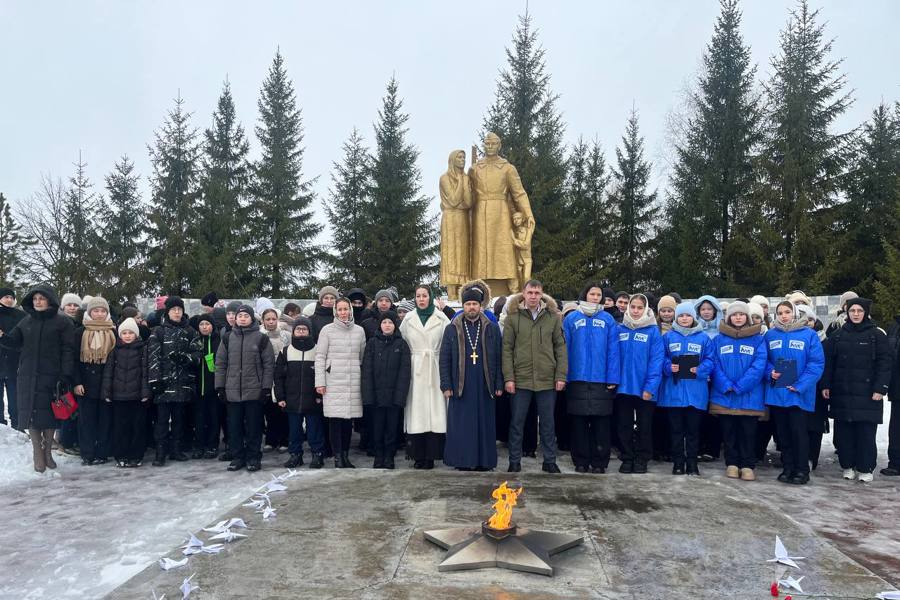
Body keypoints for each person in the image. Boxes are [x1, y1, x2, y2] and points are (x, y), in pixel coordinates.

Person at [0, 284, 76, 473]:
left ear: (50, 299)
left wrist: (65, 374)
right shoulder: (26, 321)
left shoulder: (63, 322)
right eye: (35, 299)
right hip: (27, 375)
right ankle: (37, 452)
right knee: (32, 415)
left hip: (52, 376)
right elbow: (13, 341)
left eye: (41, 298)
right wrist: (2, 336)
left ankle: (47, 451)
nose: (38, 302)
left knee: (49, 415)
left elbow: (68, 349)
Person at [822, 298, 892, 482]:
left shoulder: (877, 335)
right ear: (847, 312)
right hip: (842, 393)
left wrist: (880, 388)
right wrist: (826, 385)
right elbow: (828, 363)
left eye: (859, 311)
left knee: (866, 433)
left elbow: (885, 364)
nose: (855, 314)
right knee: (844, 433)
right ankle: (847, 465)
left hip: (868, 394)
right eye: (852, 310)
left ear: (866, 312)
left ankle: (865, 467)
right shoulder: (838, 335)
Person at [502, 279, 567, 473]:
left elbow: (560, 347)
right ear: (523, 293)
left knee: (548, 423)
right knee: (517, 422)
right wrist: (509, 378)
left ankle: (549, 461)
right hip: (521, 378)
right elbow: (507, 349)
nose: (533, 296)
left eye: (537, 293)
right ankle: (514, 461)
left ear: (542, 294)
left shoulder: (553, 317)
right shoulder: (513, 318)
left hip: (547, 379)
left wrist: (561, 375)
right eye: (530, 292)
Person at [440, 280, 502, 471]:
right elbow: (445, 359)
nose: (471, 307)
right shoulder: (452, 328)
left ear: (480, 305)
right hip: (461, 383)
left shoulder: (491, 327)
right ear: (463, 306)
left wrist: (498, 383)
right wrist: (446, 385)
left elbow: (498, 357)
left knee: (484, 423)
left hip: (484, 383)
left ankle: (484, 461)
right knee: (462, 424)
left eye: (475, 304)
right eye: (468, 304)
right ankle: (463, 461)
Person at [764, 301, 825, 485]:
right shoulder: (770, 335)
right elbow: (764, 359)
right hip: (778, 393)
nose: (784, 315)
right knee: (783, 435)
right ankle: (788, 467)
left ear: (795, 313)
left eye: (787, 312)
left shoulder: (809, 335)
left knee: (799, 433)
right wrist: (770, 372)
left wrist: (800, 384)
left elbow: (816, 364)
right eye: (780, 312)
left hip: (798, 394)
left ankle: (802, 470)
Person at [563, 283, 620, 474]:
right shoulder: (571, 319)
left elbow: (613, 350)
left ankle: (599, 462)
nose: (595, 297)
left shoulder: (608, 320)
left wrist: (612, 376)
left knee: (601, 424)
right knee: (578, 423)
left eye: (598, 295)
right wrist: (565, 375)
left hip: (601, 379)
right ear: (585, 295)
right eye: (592, 294)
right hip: (577, 378)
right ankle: (580, 461)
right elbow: (564, 349)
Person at [710, 301, 767, 481]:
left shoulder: (758, 339)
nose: (738, 317)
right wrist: (725, 383)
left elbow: (759, 365)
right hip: (725, 395)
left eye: (741, 314)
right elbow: (714, 363)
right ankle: (732, 463)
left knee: (748, 432)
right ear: (728, 318)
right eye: (734, 315)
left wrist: (742, 385)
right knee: (729, 432)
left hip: (749, 395)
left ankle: (748, 465)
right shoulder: (718, 339)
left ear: (747, 317)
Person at [215, 305, 274, 472]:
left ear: (251, 318)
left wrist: (266, 388)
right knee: (234, 427)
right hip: (232, 392)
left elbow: (268, 365)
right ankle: (238, 456)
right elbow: (220, 364)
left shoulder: (261, 339)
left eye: (245, 316)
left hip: (254, 392)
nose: (242, 318)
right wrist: (220, 387)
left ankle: (254, 457)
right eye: (239, 315)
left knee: (254, 427)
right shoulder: (227, 338)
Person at [658, 302, 714, 476]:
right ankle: (678, 462)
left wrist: (700, 370)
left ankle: (692, 463)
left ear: (693, 317)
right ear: (676, 317)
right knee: (675, 431)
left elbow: (711, 360)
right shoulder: (668, 337)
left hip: (696, 392)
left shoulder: (703, 338)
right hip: (674, 392)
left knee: (693, 431)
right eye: (681, 315)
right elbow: (661, 358)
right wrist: (669, 367)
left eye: (688, 315)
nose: (684, 319)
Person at [400, 286, 451, 469]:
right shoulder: (408, 319)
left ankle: (432, 454)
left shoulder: (441, 318)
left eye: (425, 296)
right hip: (416, 368)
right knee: (416, 410)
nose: (422, 299)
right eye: (418, 296)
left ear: (431, 297)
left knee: (435, 411)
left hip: (435, 367)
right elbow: (403, 342)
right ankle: (417, 455)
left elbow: (448, 343)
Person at [147, 296, 202, 467]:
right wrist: (155, 380)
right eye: (173, 309)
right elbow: (153, 357)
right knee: (162, 421)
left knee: (179, 420)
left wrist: (185, 358)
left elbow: (197, 355)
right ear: (167, 312)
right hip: (164, 384)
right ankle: (160, 452)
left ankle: (176, 450)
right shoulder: (158, 331)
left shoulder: (191, 331)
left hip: (183, 383)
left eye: (179, 309)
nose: (177, 312)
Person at [615, 294, 665, 474]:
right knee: (624, 425)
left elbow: (657, 361)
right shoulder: (620, 329)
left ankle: (642, 458)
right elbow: (614, 357)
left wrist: (650, 387)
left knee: (644, 426)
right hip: (623, 387)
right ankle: (627, 457)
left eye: (639, 307)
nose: (635, 311)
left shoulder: (653, 332)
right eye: (633, 307)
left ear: (646, 309)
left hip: (645, 389)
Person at [315, 297, 366, 468]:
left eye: (346, 309)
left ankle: (345, 455)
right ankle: (337, 457)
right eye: (340, 309)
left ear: (351, 310)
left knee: (347, 422)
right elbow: (320, 357)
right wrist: (320, 382)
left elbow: (362, 357)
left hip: (352, 380)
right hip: (333, 380)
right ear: (335, 311)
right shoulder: (327, 330)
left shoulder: (359, 331)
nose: (343, 312)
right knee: (335, 420)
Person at [362, 311, 411, 469]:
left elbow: (405, 372)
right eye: (384, 322)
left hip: (393, 396)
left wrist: (400, 396)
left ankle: (389, 456)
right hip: (376, 396)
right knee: (377, 428)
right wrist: (368, 395)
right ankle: (378, 456)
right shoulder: (372, 343)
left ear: (395, 325)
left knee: (391, 429)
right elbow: (367, 371)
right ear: (380, 325)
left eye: (390, 322)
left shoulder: (401, 344)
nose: (387, 325)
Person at [275, 317, 326, 469]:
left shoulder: (318, 351)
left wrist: (319, 396)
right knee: (294, 430)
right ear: (294, 332)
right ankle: (295, 455)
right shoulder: (285, 352)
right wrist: (280, 397)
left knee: (314, 429)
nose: (301, 332)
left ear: (310, 332)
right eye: (298, 329)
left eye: (304, 329)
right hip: (292, 400)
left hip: (313, 400)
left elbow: (324, 374)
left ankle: (317, 454)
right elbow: (278, 377)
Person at [74, 297, 117, 465]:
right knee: (86, 421)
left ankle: (103, 452)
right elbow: (73, 359)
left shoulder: (114, 332)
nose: (99, 314)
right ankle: (88, 453)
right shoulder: (80, 332)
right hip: (85, 384)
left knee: (105, 420)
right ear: (89, 312)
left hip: (107, 383)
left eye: (103, 311)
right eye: (96, 311)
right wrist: (76, 382)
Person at [102, 318, 151, 467]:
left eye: (131, 333)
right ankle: (121, 455)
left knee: (137, 427)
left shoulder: (143, 350)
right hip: (119, 397)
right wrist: (107, 392)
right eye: (124, 333)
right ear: (120, 335)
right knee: (120, 428)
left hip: (137, 397)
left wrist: (145, 393)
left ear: (136, 334)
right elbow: (108, 373)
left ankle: (136, 455)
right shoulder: (115, 351)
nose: (128, 335)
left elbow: (145, 373)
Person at [261, 307, 290, 452]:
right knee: (269, 411)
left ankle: (285, 439)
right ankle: (271, 440)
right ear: (263, 321)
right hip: (266, 376)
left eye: (273, 319)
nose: (271, 322)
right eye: (268, 319)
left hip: (283, 377)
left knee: (282, 409)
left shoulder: (286, 335)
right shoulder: (260, 336)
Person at [193, 314, 221, 459]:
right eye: (202, 324)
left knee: (213, 418)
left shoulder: (218, 340)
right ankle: (199, 445)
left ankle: (212, 445)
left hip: (214, 387)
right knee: (199, 419)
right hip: (198, 387)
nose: (204, 327)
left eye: (207, 324)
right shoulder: (195, 341)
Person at [0, 287, 25, 429]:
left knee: (15, 395)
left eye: (11, 297)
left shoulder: (21, 316)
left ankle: (17, 423)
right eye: (5, 297)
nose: (9, 300)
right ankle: (0, 424)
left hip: (14, 360)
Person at [882, 312, 900, 477]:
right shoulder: (894, 327)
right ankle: (895, 462)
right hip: (898, 387)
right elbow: (887, 357)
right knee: (896, 427)